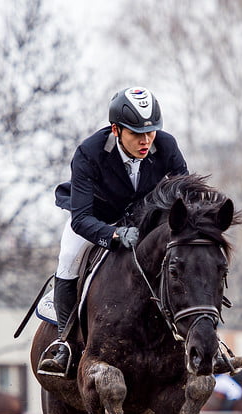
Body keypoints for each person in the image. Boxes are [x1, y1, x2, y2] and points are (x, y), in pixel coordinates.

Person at [40, 86, 188, 374]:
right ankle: (65, 342)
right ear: (116, 129)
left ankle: (202, 337)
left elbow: (185, 193)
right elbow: (80, 219)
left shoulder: (166, 145)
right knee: (69, 256)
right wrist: (114, 235)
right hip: (97, 218)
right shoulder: (89, 152)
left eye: (151, 132)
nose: (146, 141)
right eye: (136, 133)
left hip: (144, 218)